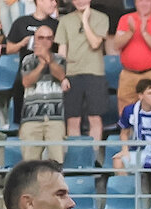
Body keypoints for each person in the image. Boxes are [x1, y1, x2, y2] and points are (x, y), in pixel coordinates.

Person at [59, 0, 110, 142]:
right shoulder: (65, 20)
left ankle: (92, 159)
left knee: (95, 118)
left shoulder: (101, 17)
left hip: (95, 73)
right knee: (73, 119)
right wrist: (62, 76)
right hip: (72, 74)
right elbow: (62, 52)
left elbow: (95, 43)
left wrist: (85, 21)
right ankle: (76, 158)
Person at [6, 0, 60, 127]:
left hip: (48, 75)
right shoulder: (21, 22)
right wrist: (22, 43)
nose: (54, 4)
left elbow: (61, 52)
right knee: (23, 118)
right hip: (26, 75)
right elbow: (9, 49)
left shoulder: (56, 25)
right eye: (51, 0)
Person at [20, 25, 68, 161]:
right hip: (31, 117)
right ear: (35, 39)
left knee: (57, 162)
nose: (45, 41)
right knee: (30, 164)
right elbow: (27, 82)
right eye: (41, 38)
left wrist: (49, 61)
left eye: (49, 38)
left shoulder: (60, 59)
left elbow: (61, 75)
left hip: (55, 117)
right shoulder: (27, 60)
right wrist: (41, 64)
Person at [113, 0, 151, 111]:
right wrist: (131, 32)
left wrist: (144, 33)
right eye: (140, 0)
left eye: (148, 1)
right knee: (126, 115)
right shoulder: (126, 19)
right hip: (128, 74)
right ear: (135, 3)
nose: (144, 3)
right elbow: (116, 45)